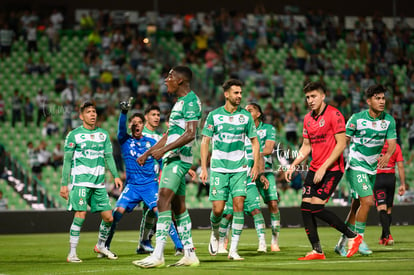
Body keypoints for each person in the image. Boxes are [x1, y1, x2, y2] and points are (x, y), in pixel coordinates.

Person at [285, 81, 362, 260]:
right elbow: (306, 146)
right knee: (305, 208)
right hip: (315, 168)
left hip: (332, 168)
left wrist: (324, 167)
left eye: (313, 96)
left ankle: (353, 236)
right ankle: (317, 251)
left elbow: (342, 144)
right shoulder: (307, 119)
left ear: (322, 96)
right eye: (307, 97)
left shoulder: (334, 114)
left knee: (316, 208)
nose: (310, 100)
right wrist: (294, 164)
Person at [133, 66, 201, 268]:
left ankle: (158, 254)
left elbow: (190, 134)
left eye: (170, 77)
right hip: (173, 157)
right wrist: (148, 153)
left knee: (162, 200)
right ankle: (189, 254)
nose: (166, 80)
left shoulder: (191, 101)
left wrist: (164, 151)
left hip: (178, 158)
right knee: (179, 207)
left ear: (180, 80)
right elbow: (170, 134)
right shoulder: (180, 103)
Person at [104, 101, 183, 256]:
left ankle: (179, 246)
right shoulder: (125, 141)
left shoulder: (151, 142)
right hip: (132, 186)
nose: (137, 125)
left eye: (140, 122)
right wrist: (124, 112)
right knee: (117, 213)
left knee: (161, 211)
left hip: (149, 185)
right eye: (134, 123)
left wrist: (166, 177)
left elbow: (161, 161)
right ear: (130, 126)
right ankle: (105, 245)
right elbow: (120, 128)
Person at [200, 79, 260, 261]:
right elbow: (205, 142)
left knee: (238, 206)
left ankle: (233, 250)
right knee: (218, 210)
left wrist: (255, 165)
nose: (239, 96)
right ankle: (215, 232)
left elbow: (255, 142)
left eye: (241, 93)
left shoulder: (246, 116)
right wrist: (204, 168)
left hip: (240, 169)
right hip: (218, 168)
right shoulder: (214, 116)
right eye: (236, 93)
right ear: (226, 94)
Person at [335, 84, 397, 256]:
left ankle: (341, 243)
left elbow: (392, 144)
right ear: (369, 101)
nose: (382, 101)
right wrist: (333, 160)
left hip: (372, 169)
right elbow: (344, 140)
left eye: (383, 98)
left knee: (356, 206)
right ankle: (358, 240)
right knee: (368, 201)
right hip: (356, 165)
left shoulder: (389, 121)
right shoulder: (356, 118)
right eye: (377, 98)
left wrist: (387, 155)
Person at [60, 101, 123, 263]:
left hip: (98, 184)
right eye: (88, 112)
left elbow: (109, 156)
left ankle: (101, 245)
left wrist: (115, 175)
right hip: (80, 181)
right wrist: (63, 184)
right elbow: (67, 161)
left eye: (94, 112)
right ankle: (72, 253)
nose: (93, 114)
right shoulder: (74, 135)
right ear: (81, 116)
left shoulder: (103, 135)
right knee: (80, 214)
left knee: (109, 218)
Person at [246, 102, 281, 252]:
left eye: (251, 109)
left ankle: (274, 240)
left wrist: (257, 159)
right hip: (247, 172)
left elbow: (268, 148)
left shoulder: (268, 129)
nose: (247, 111)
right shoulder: (241, 130)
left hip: (265, 170)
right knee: (250, 207)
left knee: (273, 203)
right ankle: (223, 240)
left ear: (258, 114)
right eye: (245, 110)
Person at [374, 141, 406, 245]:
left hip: (378, 177)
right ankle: (384, 236)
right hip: (391, 178)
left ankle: (387, 235)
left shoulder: (375, 144)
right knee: (388, 210)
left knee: (381, 207)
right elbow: (400, 166)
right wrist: (402, 184)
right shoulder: (395, 146)